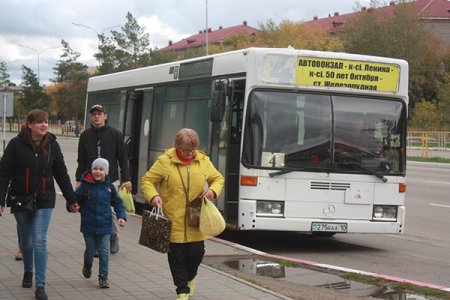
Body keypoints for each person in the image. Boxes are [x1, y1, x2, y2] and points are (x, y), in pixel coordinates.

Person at [0, 109, 79, 300]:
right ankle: (28, 270)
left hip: (45, 199)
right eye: (39, 122)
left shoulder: (52, 144)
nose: (44, 125)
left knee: (39, 240)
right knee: (26, 241)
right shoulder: (16, 144)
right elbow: (4, 173)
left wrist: (72, 199)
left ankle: (40, 285)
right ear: (29, 124)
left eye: (46, 122)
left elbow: (61, 173)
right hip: (21, 198)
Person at [141, 128, 224, 300]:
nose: (189, 153)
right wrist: (154, 196)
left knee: (196, 255)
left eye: (192, 149)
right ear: (177, 146)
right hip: (173, 219)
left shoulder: (203, 161)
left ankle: (190, 278)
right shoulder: (165, 162)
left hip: (196, 217)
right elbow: (148, 180)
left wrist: (212, 192)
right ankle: (182, 290)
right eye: (186, 149)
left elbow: (218, 179)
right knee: (177, 258)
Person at [75, 104, 132, 254]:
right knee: (91, 209)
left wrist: (126, 179)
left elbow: (123, 158)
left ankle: (112, 236)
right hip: (89, 179)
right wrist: (78, 178)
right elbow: (81, 159)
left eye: (99, 113)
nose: (96, 116)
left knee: (110, 210)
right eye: (94, 114)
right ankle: (94, 242)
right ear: (90, 117)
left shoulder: (115, 134)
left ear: (105, 116)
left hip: (111, 178)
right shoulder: (85, 135)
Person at [75, 157, 127, 288]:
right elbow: (75, 200)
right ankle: (88, 264)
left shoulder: (109, 187)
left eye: (101, 169)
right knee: (90, 250)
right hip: (88, 225)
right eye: (95, 168)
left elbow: (118, 203)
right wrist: (72, 206)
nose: (98, 171)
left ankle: (103, 277)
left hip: (105, 226)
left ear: (106, 172)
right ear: (91, 170)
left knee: (104, 251)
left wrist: (121, 216)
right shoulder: (85, 186)